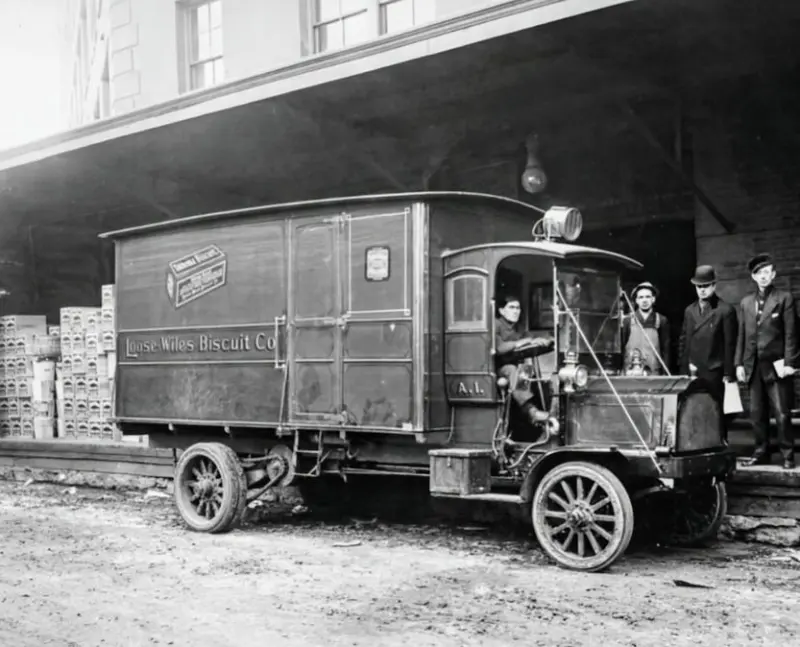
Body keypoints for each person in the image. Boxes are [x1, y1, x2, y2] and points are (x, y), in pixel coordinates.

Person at [735, 254, 797, 469]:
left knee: (782, 413)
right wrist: (739, 364)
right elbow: (741, 335)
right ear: (753, 277)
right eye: (759, 273)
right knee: (757, 414)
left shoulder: (784, 298)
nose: (763, 276)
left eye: (767, 272)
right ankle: (761, 452)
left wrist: (790, 362)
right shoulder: (745, 303)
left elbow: (791, 333)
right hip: (753, 365)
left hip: (776, 366)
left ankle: (787, 454)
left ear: (774, 274)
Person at [678, 265, 738, 438]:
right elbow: (684, 340)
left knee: (716, 410)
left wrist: (728, 372)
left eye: (705, 286)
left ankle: (720, 442)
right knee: (693, 410)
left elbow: (730, 344)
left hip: (714, 370)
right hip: (693, 369)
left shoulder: (725, 310)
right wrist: (684, 367)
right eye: (699, 287)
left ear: (714, 286)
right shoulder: (689, 311)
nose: (702, 290)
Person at [494, 295, 553, 425]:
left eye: (518, 308)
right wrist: (520, 342)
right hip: (497, 368)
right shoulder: (496, 324)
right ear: (501, 311)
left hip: (514, 368)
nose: (516, 311)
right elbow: (499, 348)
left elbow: (530, 337)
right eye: (511, 307)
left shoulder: (518, 327)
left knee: (529, 371)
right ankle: (531, 412)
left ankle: (542, 414)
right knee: (512, 370)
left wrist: (545, 339)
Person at [622, 282, 670, 375]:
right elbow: (622, 348)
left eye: (648, 297)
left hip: (654, 373)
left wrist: (665, 374)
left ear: (653, 299)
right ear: (636, 300)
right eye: (641, 297)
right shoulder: (627, 321)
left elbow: (666, 351)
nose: (644, 300)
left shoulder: (661, 320)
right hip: (631, 373)